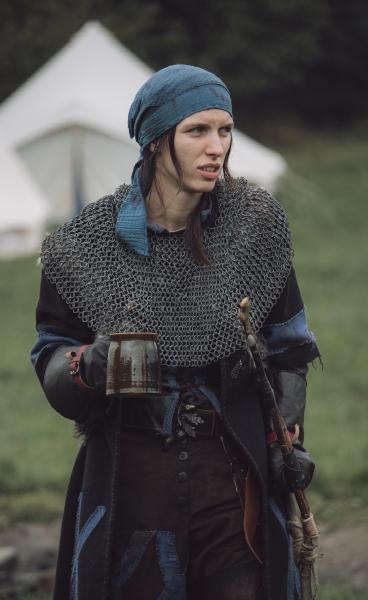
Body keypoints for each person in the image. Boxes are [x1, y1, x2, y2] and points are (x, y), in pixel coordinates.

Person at [31, 65, 320, 600]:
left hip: (232, 480)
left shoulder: (253, 228)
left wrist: (286, 443)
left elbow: (289, 350)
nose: (217, 148)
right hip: (132, 480)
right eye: (197, 131)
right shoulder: (85, 246)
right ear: (155, 141)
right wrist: (88, 365)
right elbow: (51, 353)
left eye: (225, 130)